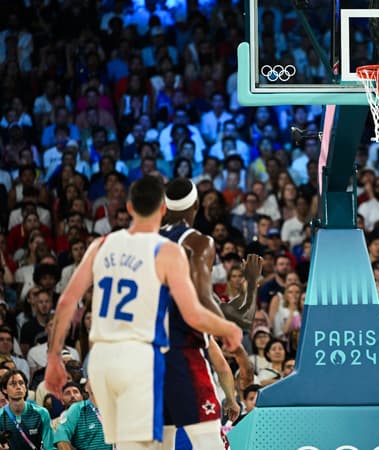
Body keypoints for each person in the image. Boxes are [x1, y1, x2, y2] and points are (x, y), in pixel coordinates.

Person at [44, 175, 243, 450]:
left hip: (104, 363)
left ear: (128, 207)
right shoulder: (166, 251)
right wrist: (228, 329)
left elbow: (66, 303)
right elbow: (194, 314)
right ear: (163, 210)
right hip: (146, 357)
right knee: (208, 442)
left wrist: (53, 357)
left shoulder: (101, 245)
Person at [159, 178, 259, 449]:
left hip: (147, 357)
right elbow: (203, 298)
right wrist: (233, 337)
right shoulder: (198, 242)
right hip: (182, 353)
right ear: (196, 205)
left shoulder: (144, 242)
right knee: (211, 444)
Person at [0, 369, 55, 450]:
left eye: (21, 383)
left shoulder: (42, 413)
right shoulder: (1, 416)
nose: (18, 387)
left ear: (26, 388)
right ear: (4, 390)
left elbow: (49, 446)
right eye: (13, 384)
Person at [54, 380, 113, 450]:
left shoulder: (115, 406)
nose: (72, 396)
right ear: (86, 387)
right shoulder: (77, 408)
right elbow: (61, 438)